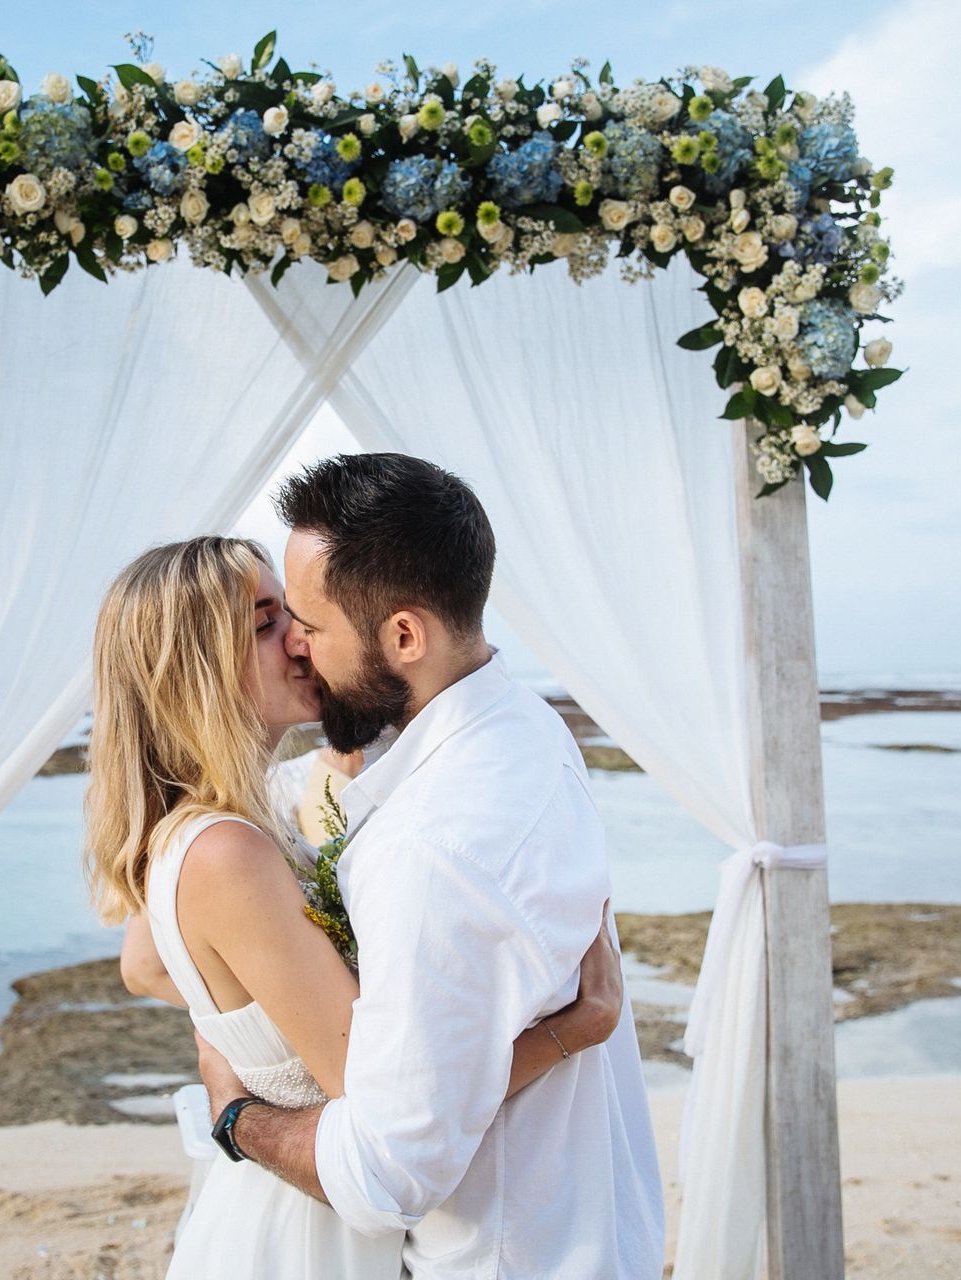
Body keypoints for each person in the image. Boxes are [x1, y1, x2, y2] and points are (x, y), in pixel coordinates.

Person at [85, 535, 625, 1279]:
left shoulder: (224, 823)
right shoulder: (224, 852)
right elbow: (386, 1104)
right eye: (267, 622)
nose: (300, 640)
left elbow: (146, 963)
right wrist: (574, 1029)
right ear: (196, 668)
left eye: (295, 615)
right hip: (306, 1233)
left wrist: (246, 1041)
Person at [194, 454, 668, 1278]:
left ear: (405, 636)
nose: (297, 646)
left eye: (309, 624)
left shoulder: (429, 851)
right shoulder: (527, 726)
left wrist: (236, 1115)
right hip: (591, 1225)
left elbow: (386, 1174)